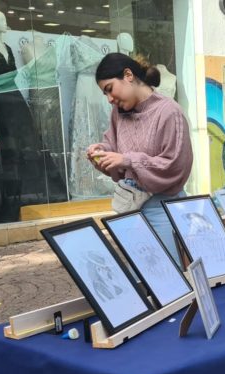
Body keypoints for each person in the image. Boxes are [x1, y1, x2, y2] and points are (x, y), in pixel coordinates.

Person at [86, 53, 193, 258]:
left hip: (162, 208)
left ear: (128, 75)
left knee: (168, 277)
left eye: (110, 89)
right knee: (140, 277)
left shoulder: (169, 112)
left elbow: (176, 165)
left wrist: (128, 160)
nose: (110, 99)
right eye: (105, 94)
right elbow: (113, 145)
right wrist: (101, 152)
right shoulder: (119, 112)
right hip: (129, 209)